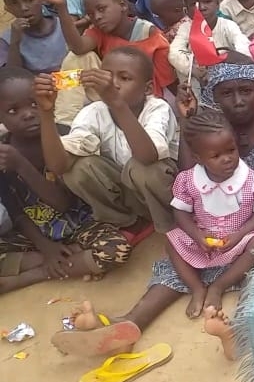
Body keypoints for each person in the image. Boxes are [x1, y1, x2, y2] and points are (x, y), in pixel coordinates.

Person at [50, 59, 254, 359]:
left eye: (245, 91)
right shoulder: (208, 127)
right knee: (180, 261)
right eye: (226, 93)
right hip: (211, 216)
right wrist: (187, 119)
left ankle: (240, 330)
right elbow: (189, 174)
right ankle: (130, 324)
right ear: (214, 96)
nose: (238, 100)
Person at [0, 67, 130, 294]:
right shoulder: (3, 152)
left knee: (116, 250)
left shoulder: (62, 137)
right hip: (36, 233)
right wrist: (46, 247)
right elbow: (15, 212)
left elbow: (63, 204)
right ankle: (72, 258)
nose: (28, 114)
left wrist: (21, 165)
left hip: (79, 223)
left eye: (34, 104)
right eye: (13, 110)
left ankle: (32, 275)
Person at [35, 47, 179, 245]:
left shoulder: (157, 108)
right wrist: (46, 112)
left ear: (147, 89)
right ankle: (129, 222)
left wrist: (117, 103)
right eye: (107, 77)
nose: (114, 84)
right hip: (130, 194)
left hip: (165, 196)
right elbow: (59, 167)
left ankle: (170, 226)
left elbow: (148, 157)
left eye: (124, 78)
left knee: (142, 168)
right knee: (78, 169)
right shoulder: (94, 112)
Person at [166, 108, 254, 317]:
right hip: (205, 235)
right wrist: (196, 235)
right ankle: (197, 288)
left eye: (231, 150)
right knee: (172, 240)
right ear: (198, 158)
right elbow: (180, 213)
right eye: (216, 156)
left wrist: (239, 235)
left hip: (242, 234)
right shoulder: (189, 181)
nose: (227, 159)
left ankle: (219, 285)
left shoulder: (252, 180)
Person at [45, 0, 178, 99]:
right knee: (76, 59)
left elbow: (167, 82)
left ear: (122, 5)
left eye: (101, 9)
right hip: (109, 95)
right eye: (90, 14)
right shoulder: (98, 32)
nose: (97, 17)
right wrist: (62, 7)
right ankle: (58, 105)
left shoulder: (149, 34)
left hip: (143, 99)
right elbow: (78, 48)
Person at [169, 0, 250, 84]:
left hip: (227, 78)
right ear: (186, 10)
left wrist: (224, 65)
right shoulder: (186, 28)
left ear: (217, 4)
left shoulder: (227, 25)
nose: (202, 7)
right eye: (194, 4)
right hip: (197, 80)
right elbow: (174, 53)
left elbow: (243, 47)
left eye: (207, 2)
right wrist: (192, 69)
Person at [0, 0, 69, 77]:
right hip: (34, 86)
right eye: (14, 3)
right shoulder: (7, 40)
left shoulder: (64, 27)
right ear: (7, 7)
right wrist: (15, 43)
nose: (23, 8)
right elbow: (11, 78)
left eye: (30, 0)